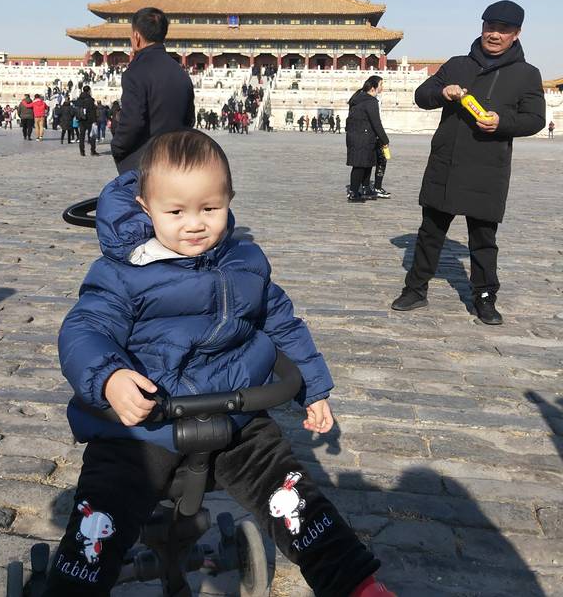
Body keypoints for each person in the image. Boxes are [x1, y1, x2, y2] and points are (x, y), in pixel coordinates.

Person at [44, 130, 394, 597]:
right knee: (100, 518)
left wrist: (313, 387)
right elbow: (84, 330)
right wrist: (109, 378)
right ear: (146, 208)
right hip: (146, 424)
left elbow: (281, 322)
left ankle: (356, 584)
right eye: (176, 212)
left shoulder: (244, 261)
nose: (194, 224)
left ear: (229, 200)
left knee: (295, 499)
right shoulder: (123, 273)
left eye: (209, 208)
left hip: (234, 416)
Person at [391, 0, 545, 325]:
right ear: (482, 27)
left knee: (484, 239)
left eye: (503, 30)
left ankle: (485, 298)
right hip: (447, 163)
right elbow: (421, 96)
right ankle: (415, 289)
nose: (494, 35)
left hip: (488, 168)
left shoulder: (527, 74)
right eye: (490, 27)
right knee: (430, 232)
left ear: (516, 34)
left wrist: (502, 122)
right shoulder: (457, 65)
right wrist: (441, 93)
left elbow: (535, 119)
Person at [111, 7, 195, 173]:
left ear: (137, 37)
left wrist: (117, 148)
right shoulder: (181, 73)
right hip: (175, 162)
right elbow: (189, 120)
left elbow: (133, 122)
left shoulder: (135, 72)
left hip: (144, 165)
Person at [345, 76, 389, 203]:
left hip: (359, 136)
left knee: (367, 163)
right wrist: (385, 140)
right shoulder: (370, 101)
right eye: (380, 84)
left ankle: (366, 188)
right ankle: (353, 192)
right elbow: (376, 123)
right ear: (373, 88)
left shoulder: (358, 99)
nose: (382, 87)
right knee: (360, 165)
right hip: (362, 137)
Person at [76, 85, 99, 157]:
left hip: (81, 119)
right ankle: (93, 151)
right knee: (92, 136)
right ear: (89, 91)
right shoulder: (90, 100)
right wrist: (95, 120)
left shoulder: (79, 99)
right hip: (89, 120)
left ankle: (82, 151)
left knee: (82, 136)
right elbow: (92, 111)